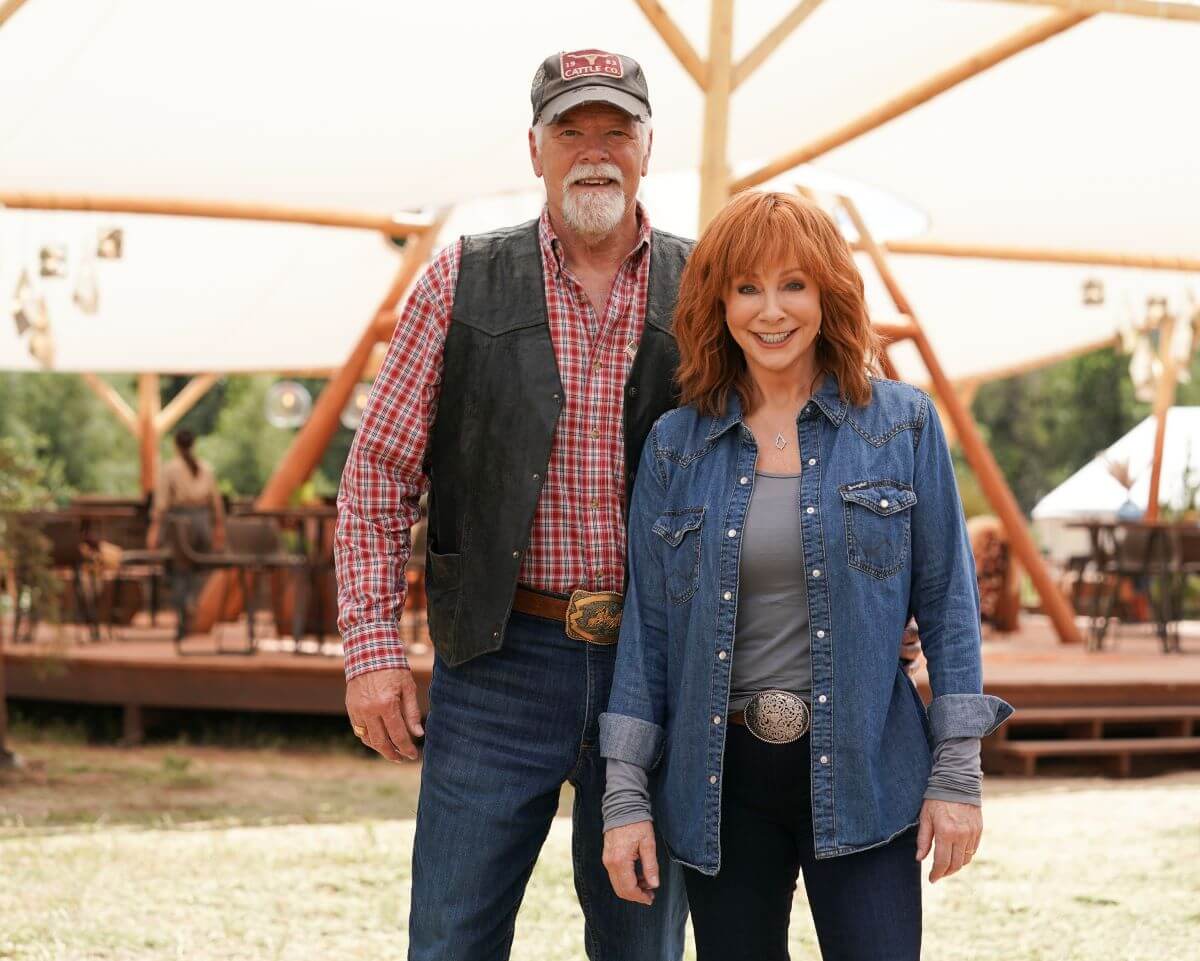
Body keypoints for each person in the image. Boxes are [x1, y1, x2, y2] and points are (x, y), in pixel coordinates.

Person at [335, 49, 693, 961]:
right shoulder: (459, 278)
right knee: (450, 940)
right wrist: (373, 654)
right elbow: (377, 476)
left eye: (616, 129)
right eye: (571, 130)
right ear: (534, 150)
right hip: (497, 661)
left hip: (655, 666)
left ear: (650, 146)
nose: (595, 150)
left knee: (642, 945)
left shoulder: (707, 287)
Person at [599, 192, 1014, 961]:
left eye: (794, 284)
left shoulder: (902, 425)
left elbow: (950, 608)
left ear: (829, 293)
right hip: (720, 789)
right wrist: (624, 796)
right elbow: (649, 636)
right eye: (747, 286)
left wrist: (957, 773)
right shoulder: (675, 446)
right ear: (719, 301)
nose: (771, 310)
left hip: (868, 772)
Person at [147, 429, 226, 640]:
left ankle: (184, 612)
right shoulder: (206, 469)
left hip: (180, 524)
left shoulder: (170, 469)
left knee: (179, 571)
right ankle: (192, 602)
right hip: (202, 523)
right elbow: (216, 503)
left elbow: (161, 503)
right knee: (200, 569)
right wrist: (218, 527)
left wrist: (155, 529)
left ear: (176, 445)